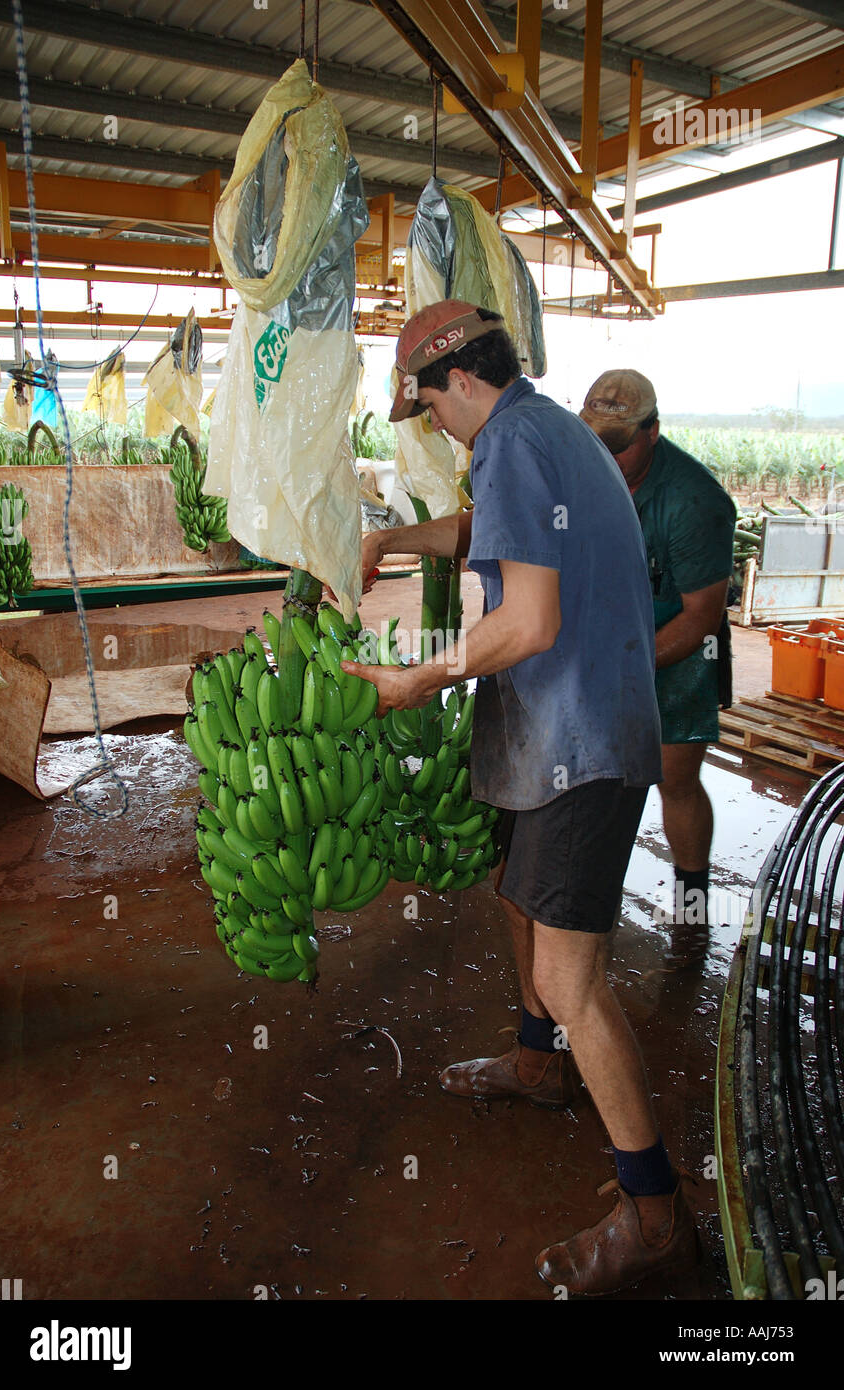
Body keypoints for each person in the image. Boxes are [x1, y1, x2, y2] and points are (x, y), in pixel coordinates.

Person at [342, 300, 700, 1295]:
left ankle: (654, 1213)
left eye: (430, 410)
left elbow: (530, 617)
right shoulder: (541, 430)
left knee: (575, 976)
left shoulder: (512, 443)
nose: (437, 429)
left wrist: (425, 675)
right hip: (565, 732)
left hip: (580, 741)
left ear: (457, 383)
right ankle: (540, 1063)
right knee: (515, 891)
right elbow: (491, 534)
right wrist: (400, 539)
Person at [580, 372, 736, 954]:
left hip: (678, 646)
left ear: (653, 433)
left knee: (676, 780)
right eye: (596, 440)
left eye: (619, 444)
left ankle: (692, 906)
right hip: (609, 635)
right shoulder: (588, 471)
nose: (608, 456)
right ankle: (588, 901)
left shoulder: (695, 501)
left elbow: (700, 618)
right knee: (596, 776)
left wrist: (628, 670)